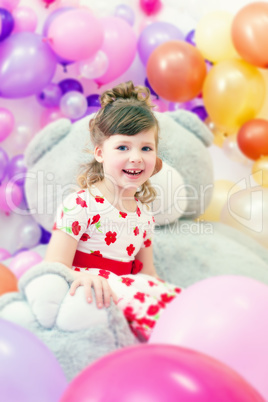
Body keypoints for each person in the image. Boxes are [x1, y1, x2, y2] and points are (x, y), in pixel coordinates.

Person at [45, 81, 181, 341]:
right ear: (100, 153)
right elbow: (54, 267)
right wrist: (82, 278)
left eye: (146, 148)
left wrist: (163, 292)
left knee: (179, 303)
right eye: (122, 147)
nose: (136, 157)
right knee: (153, 318)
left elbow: (148, 273)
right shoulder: (81, 205)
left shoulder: (144, 216)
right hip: (95, 292)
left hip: (130, 287)